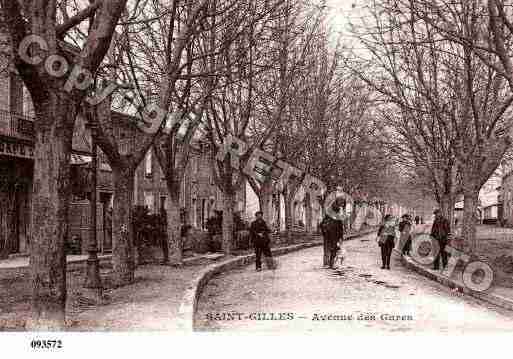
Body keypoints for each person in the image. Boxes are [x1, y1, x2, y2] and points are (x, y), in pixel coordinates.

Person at [320, 198, 345, 269]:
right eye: (342, 205)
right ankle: (331, 263)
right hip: (334, 234)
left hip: (328, 234)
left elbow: (322, 224)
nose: (342, 206)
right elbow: (340, 226)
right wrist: (341, 236)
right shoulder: (338, 213)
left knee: (327, 248)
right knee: (334, 248)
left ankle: (326, 263)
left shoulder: (329, 212)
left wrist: (324, 231)